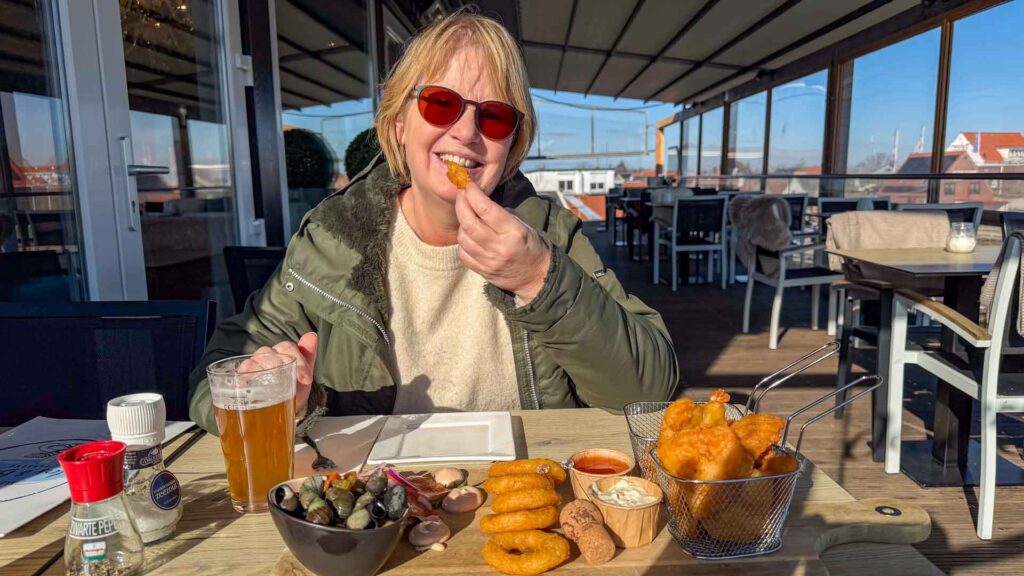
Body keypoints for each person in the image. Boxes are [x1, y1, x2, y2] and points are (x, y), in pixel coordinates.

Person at [187, 11, 678, 436]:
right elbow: (214, 381)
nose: (466, 132)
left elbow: (648, 390)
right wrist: (272, 395)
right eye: (440, 104)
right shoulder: (334, 237)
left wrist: (539, 279)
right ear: (399, 122)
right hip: (377, 493)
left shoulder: (550, 235)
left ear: (512, 144)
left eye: (495, 117)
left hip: (527, 483)